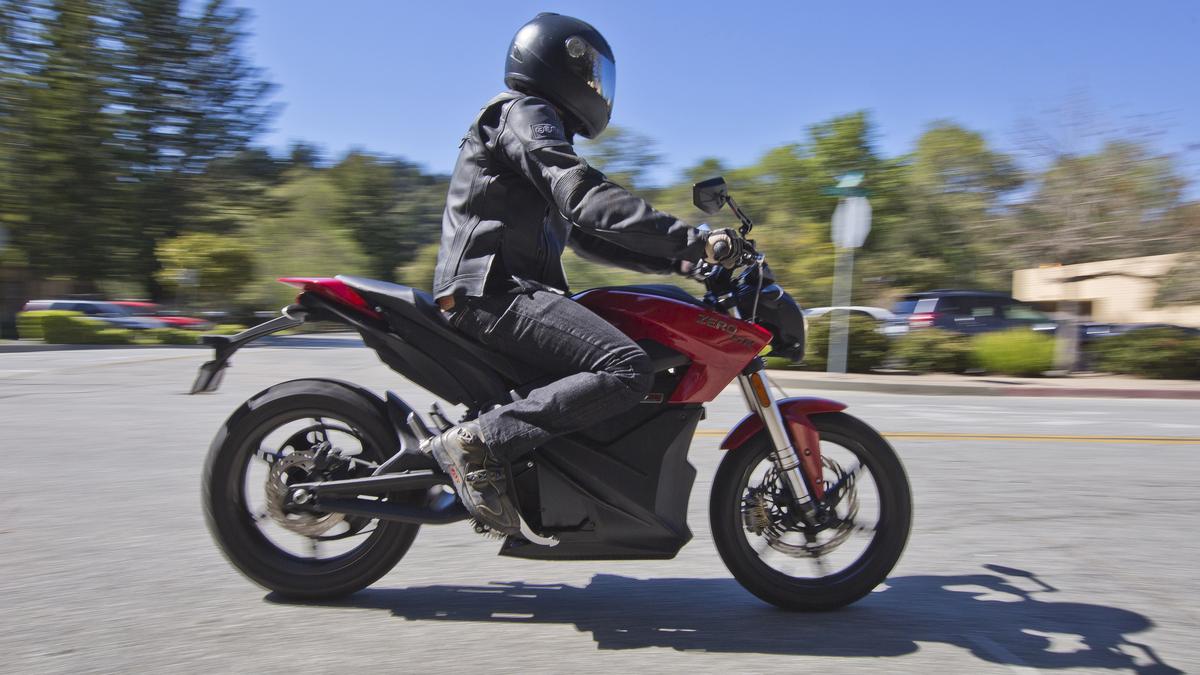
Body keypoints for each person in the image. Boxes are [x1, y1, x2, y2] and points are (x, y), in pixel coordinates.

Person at [426, 12, 741, 535]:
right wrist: (694, 236)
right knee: (625, 368)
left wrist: (684, 261)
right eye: (591, 73)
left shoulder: (532, 124)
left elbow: (592, 235)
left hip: (503, 291)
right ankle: (477, 443)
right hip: (492, 291)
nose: (598, 88)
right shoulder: (524, 112)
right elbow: (585, 198)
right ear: (555, 59)